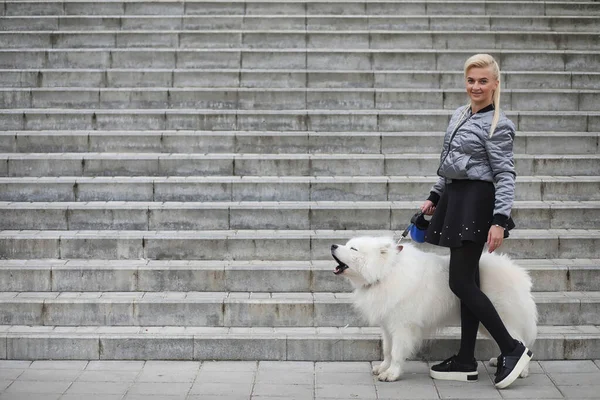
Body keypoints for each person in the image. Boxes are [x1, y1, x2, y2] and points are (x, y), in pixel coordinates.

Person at [420, 53, 532, 389]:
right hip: (455, 199)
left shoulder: (499, 124)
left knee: (460, 283)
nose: (476, 86)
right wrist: (434, 196)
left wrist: (500, 220)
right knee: (469, 281)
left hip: (476, 204)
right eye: (471, 80)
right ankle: (466, 359)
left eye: (483, 81)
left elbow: (505, 174)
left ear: (495, 83)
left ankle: (512, 349)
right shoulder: (459, 114)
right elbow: (449, 163)